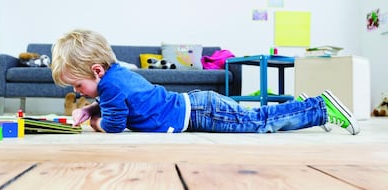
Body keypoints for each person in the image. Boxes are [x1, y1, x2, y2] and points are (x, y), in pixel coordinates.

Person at [51, 29, 360, 135]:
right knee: (256, 119)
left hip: (200, 113)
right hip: (198, 106)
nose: (78, 93)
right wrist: (91, 109)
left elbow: (114, 125)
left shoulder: (110, 86)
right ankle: (302, 107)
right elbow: (110, 104)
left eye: (78, 86)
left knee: (258, 123)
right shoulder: (115, 76)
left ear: (97, 71)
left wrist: (94, 122)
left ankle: (318, 108)